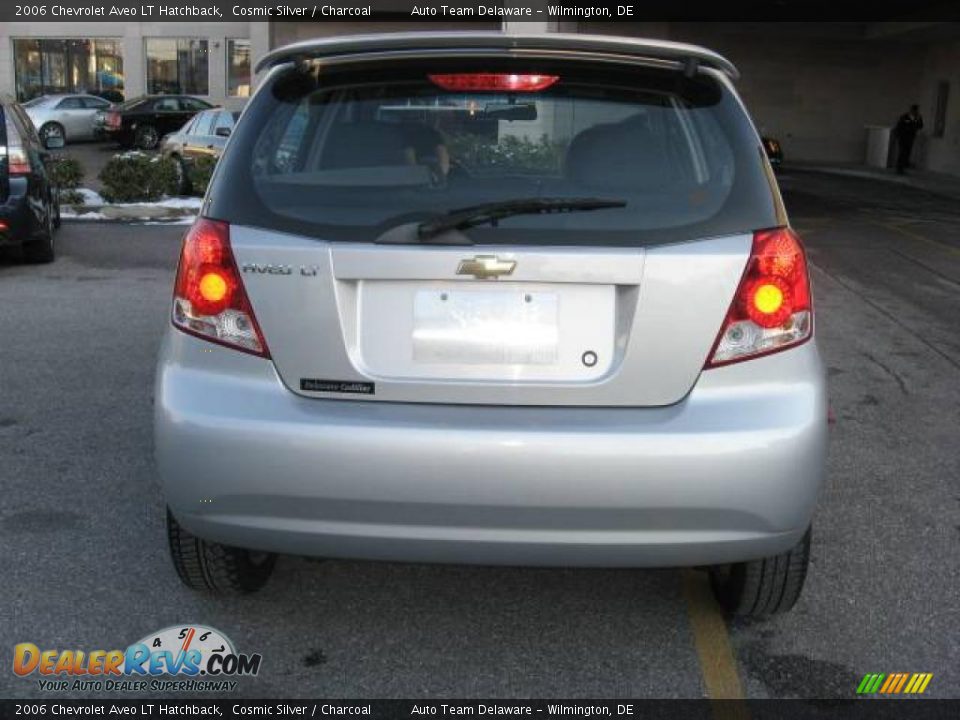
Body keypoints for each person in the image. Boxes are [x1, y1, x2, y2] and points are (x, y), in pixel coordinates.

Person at [894, 104, 923, 174]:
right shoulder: (905, 116)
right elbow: (899, 126)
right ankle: (899, 168)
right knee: (902, 152)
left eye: (916, 111)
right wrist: (898, 135)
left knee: (907, 153)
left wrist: (917, 120)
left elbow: (920, 126)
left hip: (910, 138)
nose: (914, 112)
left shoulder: (917, 117)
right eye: (913, 110)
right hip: (903, 137)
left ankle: (903, 167)